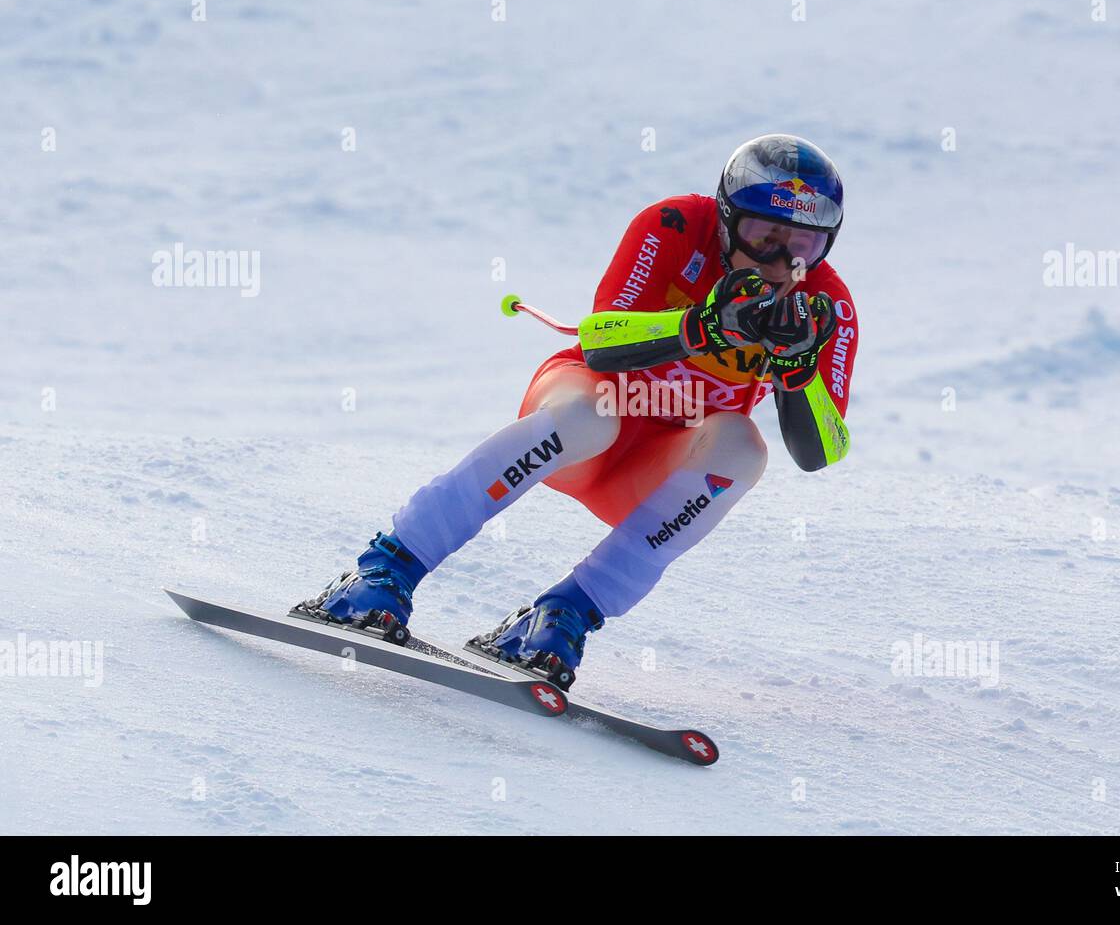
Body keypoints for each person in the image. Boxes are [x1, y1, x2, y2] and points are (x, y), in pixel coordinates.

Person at [298, 133, 858, 688]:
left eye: (804, 246)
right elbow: (601, 339)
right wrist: (703, 325)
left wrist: (799, 368)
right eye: (766, 238)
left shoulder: (825, 304)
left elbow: (822, 450)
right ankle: (387, 567)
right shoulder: (675, 225)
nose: (783, 262)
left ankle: (563, 615)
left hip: (652, 471)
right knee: (592, 415)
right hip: (584, 422)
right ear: (728, 219)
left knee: (742, 448)